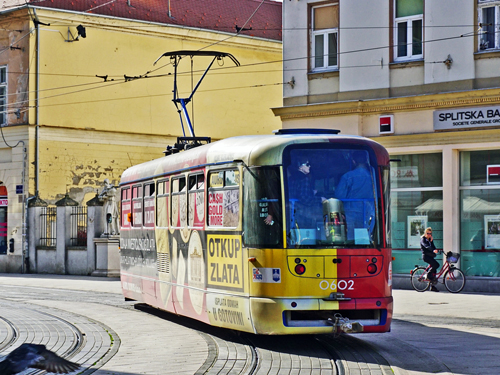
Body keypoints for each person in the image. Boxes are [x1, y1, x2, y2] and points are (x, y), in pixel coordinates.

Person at [335, 151, 375, 242]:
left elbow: (339, 196)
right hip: (368, 212)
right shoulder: (373, 177)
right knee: (363, 239)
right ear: (366, 161)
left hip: (350, 212)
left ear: (353, 161)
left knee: (350, 239)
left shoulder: (348, 176)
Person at [288, 158, 326, 229]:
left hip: (293, 211)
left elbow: (296, 193)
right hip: (304, 213)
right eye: (307, 164)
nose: (309, 166)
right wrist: (320, 199)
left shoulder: (291, 178)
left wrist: (311, 192)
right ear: (300, 167)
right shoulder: (304, 178)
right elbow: (305, 198)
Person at [421, 227, 440, 292]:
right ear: (425, 233)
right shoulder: (423, 239)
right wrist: (433, 250)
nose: (429, 234)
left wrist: (432, 243)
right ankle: (428, 274)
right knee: (436, 265)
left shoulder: (430, 240)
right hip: (426, 256)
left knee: (434, 271)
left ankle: (432, 287)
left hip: (430, 256)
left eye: (430, 233)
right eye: (428, 233)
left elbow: (433, 247)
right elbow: (426, 246)